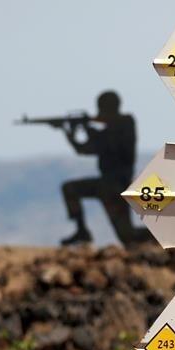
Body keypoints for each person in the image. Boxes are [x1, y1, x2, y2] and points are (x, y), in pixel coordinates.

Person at [59, 91, 141, 247]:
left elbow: (101, 144)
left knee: (129, 237)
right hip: (107, 185)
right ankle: (81, 231)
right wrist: (70, 135)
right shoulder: (115, 128)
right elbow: (85, 149)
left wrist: (88, 130)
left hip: (115, 187)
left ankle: (164, 239)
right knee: (70, 189)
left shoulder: (125, 125)